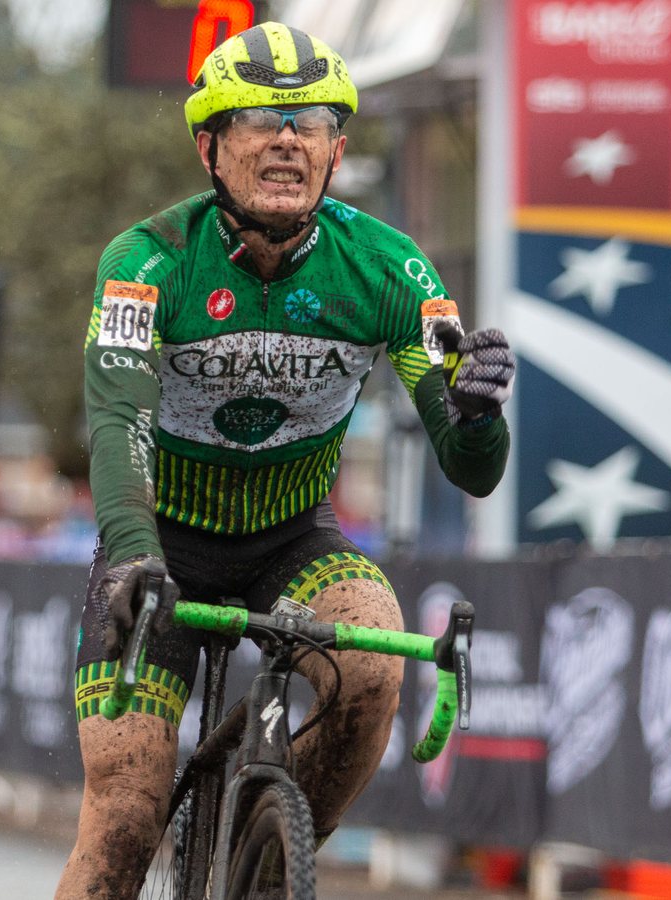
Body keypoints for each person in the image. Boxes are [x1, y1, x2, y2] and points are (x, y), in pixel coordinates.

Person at [60, 22, 515, 899]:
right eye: (257, 119)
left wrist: (478, 417)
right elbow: (117, 424)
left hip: (291, 544)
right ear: (209, 146)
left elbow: (473, 469)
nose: (285, 138)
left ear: (337, 150)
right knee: (122, 817)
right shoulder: (145, 262)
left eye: (308, 121)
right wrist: (130, 552)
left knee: (376, 670)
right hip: (161, 544)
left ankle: (267, 866)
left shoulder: (390, 270)